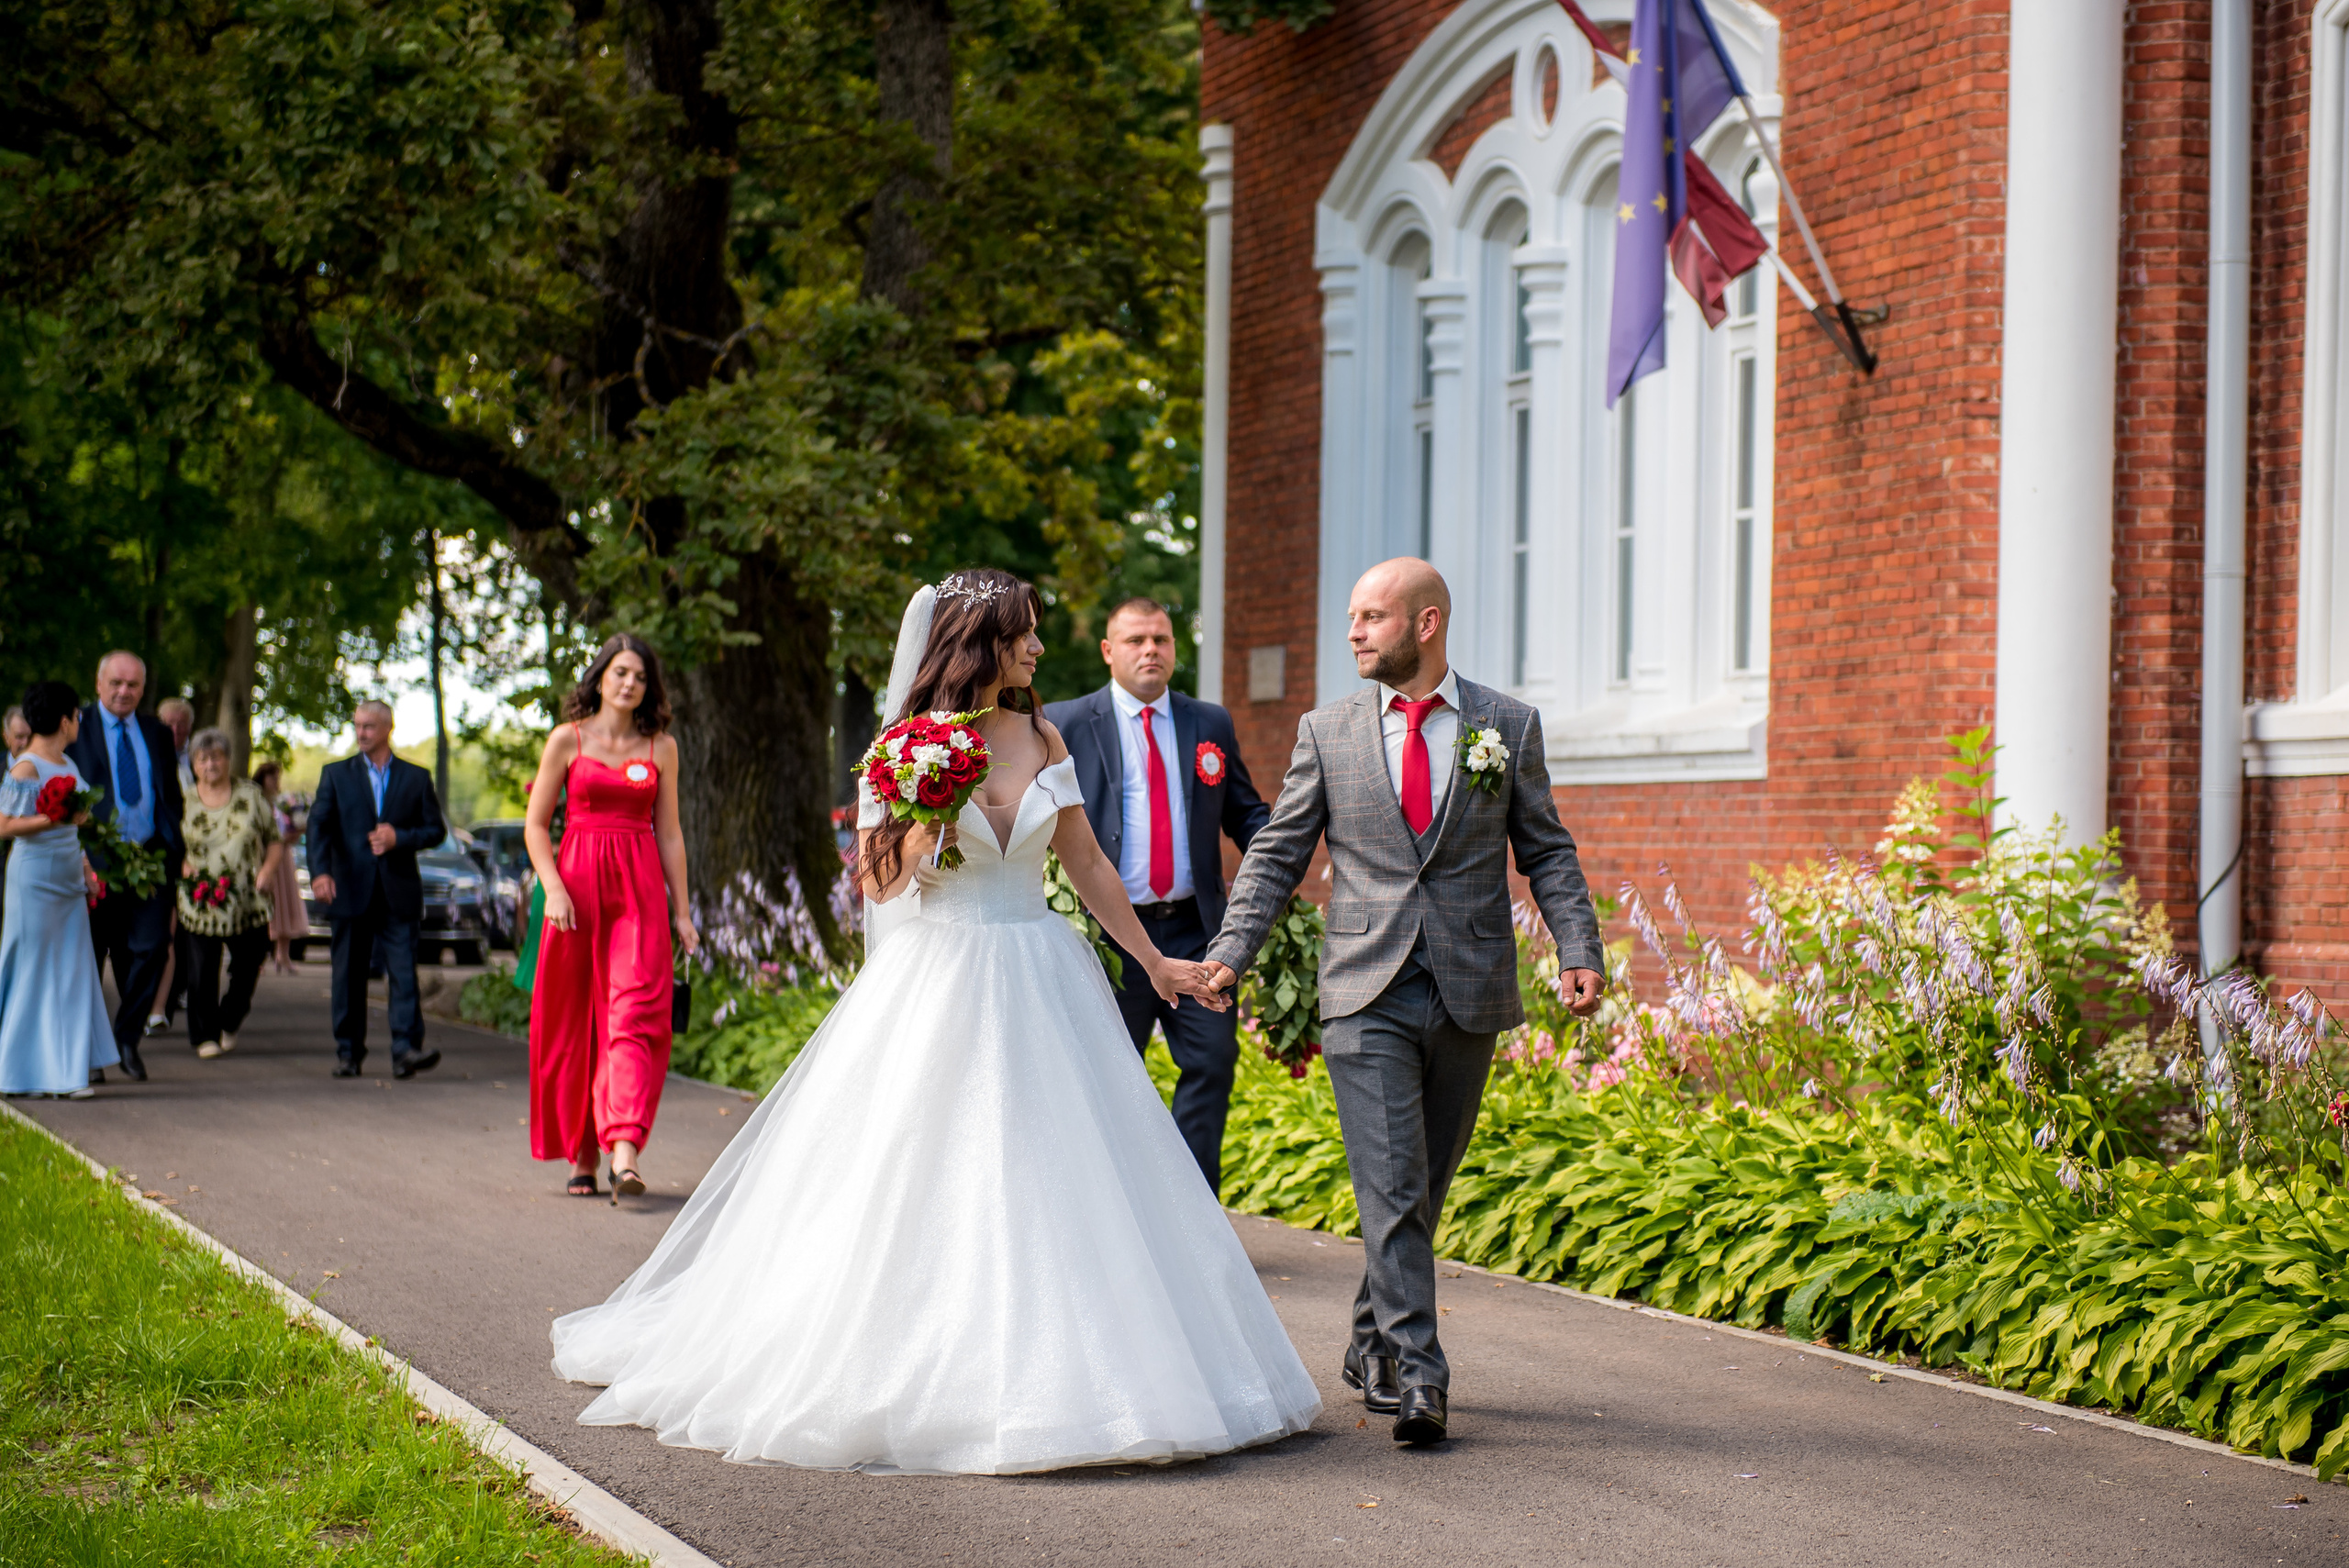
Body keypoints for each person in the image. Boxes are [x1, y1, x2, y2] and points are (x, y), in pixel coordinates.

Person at [551, 570, 1318, 1474]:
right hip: (939, 975)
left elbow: (1086, 860)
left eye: (1034, 634)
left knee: (1056, 1175)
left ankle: (1084, 1367)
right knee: (927, 1168)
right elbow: (877, 885)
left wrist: (1155, 962)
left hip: (1038, 968)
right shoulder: (906, 747)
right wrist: (923, 824)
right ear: (979, 645)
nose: (1037, 648)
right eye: (1022, 634)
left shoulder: (1041, 733)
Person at [1202, 559, 1607, 1449]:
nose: (1353, 631)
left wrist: (1579, 947)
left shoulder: (1505, 724)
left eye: (1371, 616)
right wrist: (1230, 952)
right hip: (1365, 988)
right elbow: (1274, 855)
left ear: (1426, 624)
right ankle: (1421, 1372)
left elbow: (1547, 849)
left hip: (1467, 988)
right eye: (1351, 615)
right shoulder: (1328, 731)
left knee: (1418, 1186)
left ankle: (1366, 1336)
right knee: (1390, 1184)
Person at [1043, 597, 1271, 1195]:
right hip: (1107, 938)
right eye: (1137, 639)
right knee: (1107, 1078)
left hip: (1197, 934)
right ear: (1108, 650)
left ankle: (1192, 1216)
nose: (1151, 650)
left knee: (1212, 1063)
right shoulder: (1065, 722)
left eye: (1162, 640)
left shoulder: (1209, 723)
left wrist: (1281, 859)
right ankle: (1114, 1214)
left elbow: (1245, 814)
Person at [523, 635, 699, 1198]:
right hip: (573, 894)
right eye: (620, 672)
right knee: (576, 1023)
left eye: (640, 677)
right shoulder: (566, 741)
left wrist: (685, 912)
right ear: (600, 678)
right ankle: (582, 1152)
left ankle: (623, 1148)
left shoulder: (661, 748)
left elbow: (669, 834)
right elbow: (535, 826)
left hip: (638, 894)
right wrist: (552, 888)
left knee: (633, 1014)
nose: (630, 683)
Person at [306, 700, 447, 1079]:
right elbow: (318, 828)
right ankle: (348, 1053)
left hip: (397, 891)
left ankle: (406, 1050)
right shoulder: (335, 775)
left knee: (402, 972)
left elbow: (436, 830)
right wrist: (320, 873)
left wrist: (400, 837)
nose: (361, 733)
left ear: (388, 728)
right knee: (348, 975)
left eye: (368, 726)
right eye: (357, 726)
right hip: (348, 888)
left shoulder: (416, 778)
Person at [64, 651, 184, 1084]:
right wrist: (80, 856)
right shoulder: (76, 727)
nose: (123, 691)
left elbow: (169, 794)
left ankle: (126, 1038)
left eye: (133, 685)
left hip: (150, 860)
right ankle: (90, 1055)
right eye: (116, 683)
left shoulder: (156, 731)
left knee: (152, 950)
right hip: (95, 863)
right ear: (99, 684)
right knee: (91, 959)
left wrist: (174, 848)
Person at [0, 682, 119, 1098]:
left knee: (72, 970)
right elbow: (5, 827)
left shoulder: (68, 762)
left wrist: (86, 867)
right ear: (65, 719)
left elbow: (73, 826)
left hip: (68, 877)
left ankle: (68, 1073)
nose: (79, 721)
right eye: (76, 714)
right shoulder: (26, 766)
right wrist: (54, 819)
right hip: (34, 879)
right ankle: (19, 1071)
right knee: (34, 970)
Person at [177, 729, 284, 1059]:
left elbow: (274, 840)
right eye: (203, 758)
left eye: (217, 757)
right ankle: (204, 1036)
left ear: (228, 760)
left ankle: (230, 1018)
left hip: (247, 898)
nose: (211, 764)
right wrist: (183, 865)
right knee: (201, 970)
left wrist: (267, 871)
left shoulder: (250, 795)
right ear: (194, 764)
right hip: (201, 897)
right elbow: (172, 844)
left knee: (249, 964)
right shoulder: (184, 799)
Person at [251, 761, 306, 974]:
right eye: (272, 777)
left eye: (278, 778)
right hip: (265, 859)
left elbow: (290, 829)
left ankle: (282, 955)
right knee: (267, 908)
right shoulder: (256, 802)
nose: (276, 782)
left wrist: (296, 832)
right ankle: (260, 957)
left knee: (286, 905)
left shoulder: (283, 803)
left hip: (283, 858)